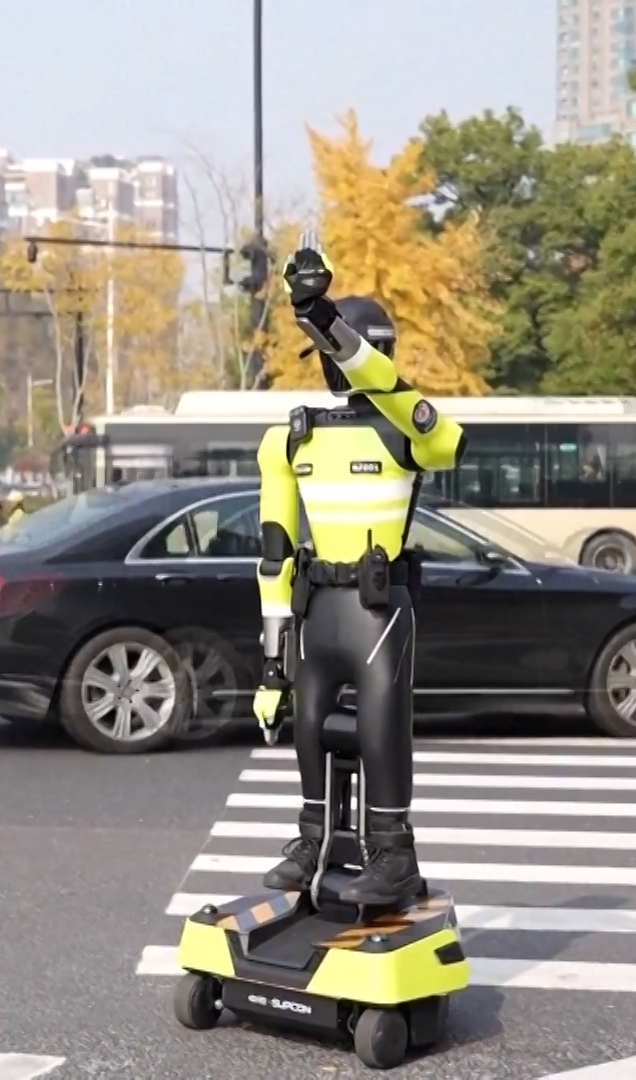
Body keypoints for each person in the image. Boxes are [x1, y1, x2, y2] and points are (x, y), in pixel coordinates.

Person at [249, 244, 468, 907]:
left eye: (335, 348)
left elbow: (444, 437)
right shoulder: (292, 437)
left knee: (380, 728)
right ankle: (312, 840)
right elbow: (274, 550)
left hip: (378, 608)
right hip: (319, 604)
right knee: (310, 724)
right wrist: (271, 664)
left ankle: (393, 854)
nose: (329, 361)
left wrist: (320, 318)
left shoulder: (409, 432)